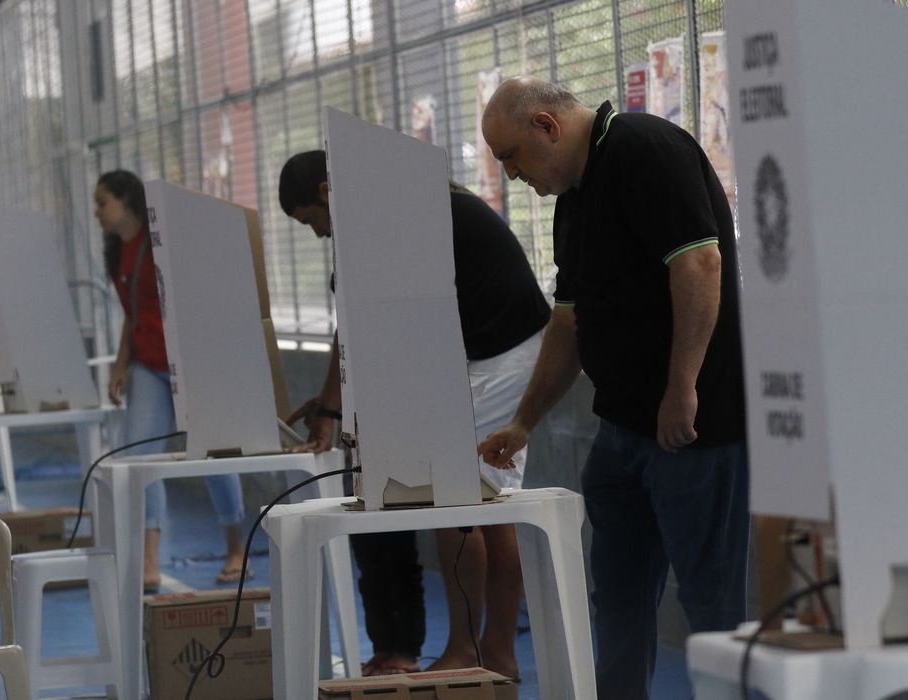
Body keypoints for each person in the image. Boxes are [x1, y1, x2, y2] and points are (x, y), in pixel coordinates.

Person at [477, 77, 750, 700]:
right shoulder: (574, 201)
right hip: (623, 432)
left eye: (510, 156)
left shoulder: (642, 147)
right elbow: (569, 321)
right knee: (619, 599)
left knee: (711, 606)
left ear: (546, 126)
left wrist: (682, 388)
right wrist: (525, 421)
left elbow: (699, 263)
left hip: (693, 432)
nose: (511, 175)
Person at [278, 150, 550, 679]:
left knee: (454, 502)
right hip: (501, 349)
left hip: (500, 355)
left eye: (312, 221)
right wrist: (339, 402)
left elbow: (352, 328)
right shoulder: (412, 203)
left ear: (328, 192)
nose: (317, 235)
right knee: (488, 505)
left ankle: (470, 650)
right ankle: (494, 651)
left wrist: (332, 409)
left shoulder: (381, 217)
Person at [94, 170, 252, 591]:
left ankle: (236, 547)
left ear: (128, 201)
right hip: (147, 366)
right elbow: (131, 314)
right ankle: (149, 562)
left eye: (102, 202)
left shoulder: (163, 240)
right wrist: (119, 365)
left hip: (190, 363)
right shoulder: (116, 253)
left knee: (212, 454)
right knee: (141, 461)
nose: (96, 212)